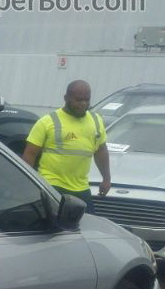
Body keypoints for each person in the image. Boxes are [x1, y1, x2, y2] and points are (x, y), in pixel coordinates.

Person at [22, 80, 111, 208]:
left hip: (81, 188)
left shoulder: (96, 120)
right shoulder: (47, 121)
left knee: (85, 225)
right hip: (52, 185)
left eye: (87, 100)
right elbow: (30, 154)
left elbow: (101, 151)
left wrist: (106, 179)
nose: (83, 104)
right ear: (66, 98)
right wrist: (28, 184)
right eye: (79, 100)